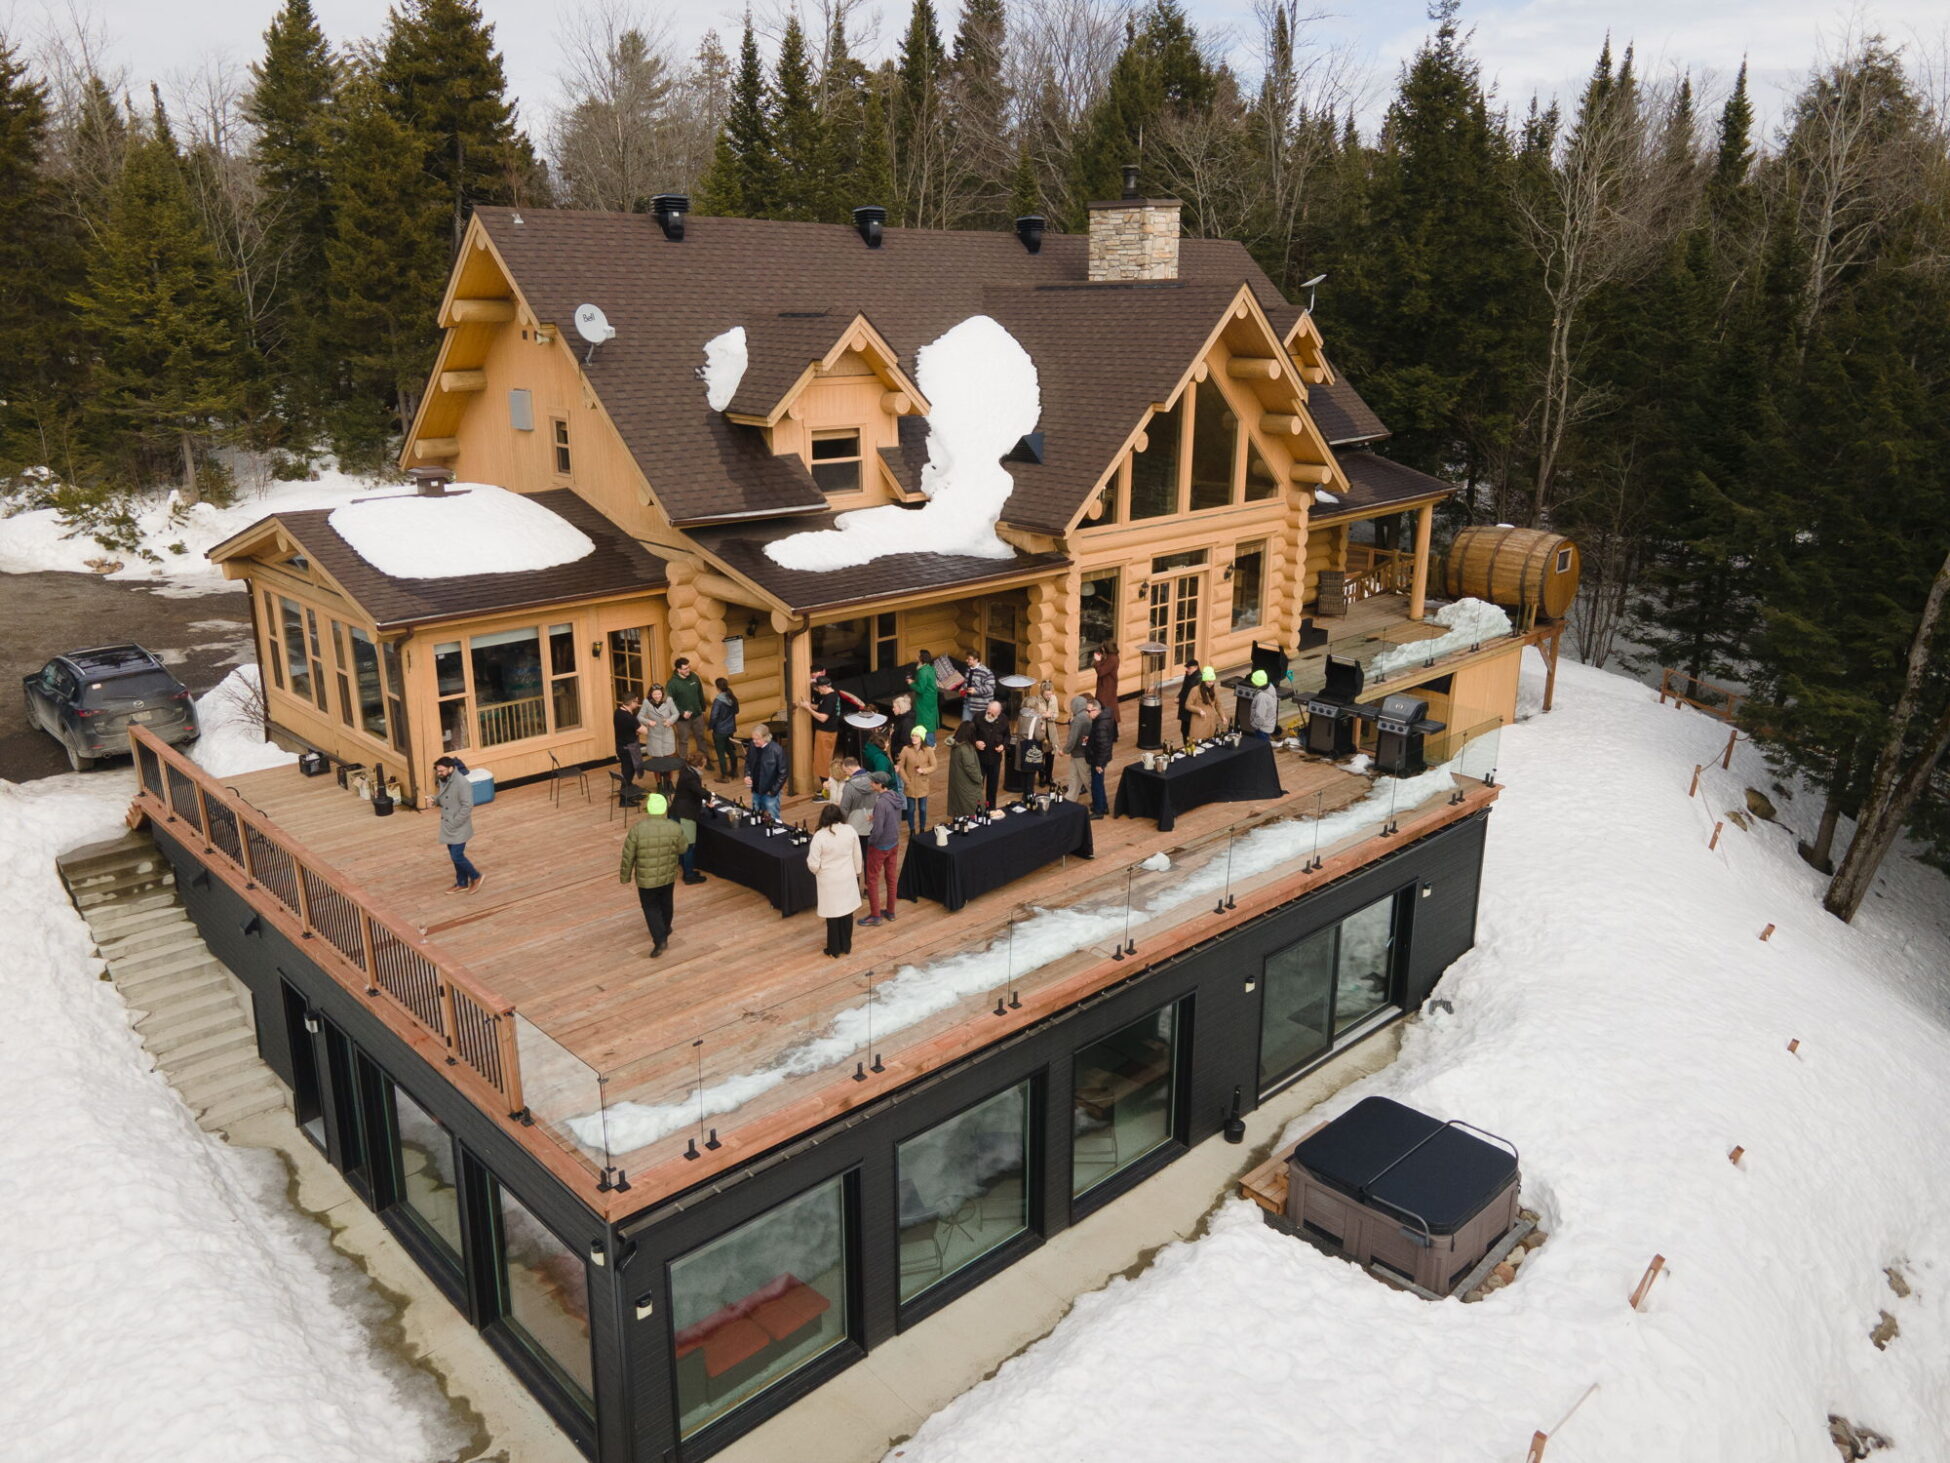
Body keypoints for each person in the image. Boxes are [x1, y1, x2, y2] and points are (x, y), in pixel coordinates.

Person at [619, 792, 689, 958]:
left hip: (645, 879)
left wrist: (625, 876)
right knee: (666, 902)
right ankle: (666, 926)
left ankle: (660, 939)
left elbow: (628, 855)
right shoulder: (674, 827)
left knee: (650, 908)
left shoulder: (637, 830)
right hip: (668, 875)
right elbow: (683, 848)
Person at [805, 803, 863, 957]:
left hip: (829, 880)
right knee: (847, 913)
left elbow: (813, 863)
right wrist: (857, 871)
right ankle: (846, 945)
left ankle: (834, 949)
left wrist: (818, 871)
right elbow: (857, 854)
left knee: (833, 916)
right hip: (847, 877)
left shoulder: (820, 836)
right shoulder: (849, 830)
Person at [431, 755, 483, 891]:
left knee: (457, 855)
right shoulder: (444, 779)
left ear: (451, 768)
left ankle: (476, 876)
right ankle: (462, 883)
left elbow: (467, 806)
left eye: (441, 771)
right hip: (448, 825)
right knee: (454, 855)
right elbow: (443, 796)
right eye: (438, 771)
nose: (439, 773)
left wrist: (454, 822)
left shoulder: (462, 783)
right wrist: (435, 800)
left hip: (458, 826)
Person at [860, 771, 903, 926]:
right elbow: (892, 817)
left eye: (873, 782)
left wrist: (870, 841)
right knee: (891, 878)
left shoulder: (881, 803)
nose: (871, 784)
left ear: (879, 784)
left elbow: (877, 831)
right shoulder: (895, 797)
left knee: (872, 880)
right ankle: (890, 912)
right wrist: (876, 816)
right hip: (894, 842)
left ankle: (875, 915)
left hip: (880, 846)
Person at [665, 759, 708, 885]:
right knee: (688, 846)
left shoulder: (685, 771)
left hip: (676, 810)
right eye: (703, 765)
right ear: (699, 765)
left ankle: (685, 868)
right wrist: (710, 796)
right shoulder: (691, 777)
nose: (704, 767)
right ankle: (689, 875)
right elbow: (699, 791)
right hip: (685, 814)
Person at [798, 673, 842, 790]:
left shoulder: (829, 699)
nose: (817, 690)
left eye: (818, 688)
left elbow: (823, 717)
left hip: (826, 733)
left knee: (823, 762)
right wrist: (809, 705)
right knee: (822, 760)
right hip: (828, 732)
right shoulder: (832, 695)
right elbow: (821, 708)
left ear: (823, 687)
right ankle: (826, 787)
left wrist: (808, 709)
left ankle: (826, 789)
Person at [666, 656, 708, 768]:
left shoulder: (694, 677)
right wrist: (681, 712)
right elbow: (670, 702)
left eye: (688, 667)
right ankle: (683, 764)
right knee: (683, 741)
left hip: (697, 715)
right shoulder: (672, 683)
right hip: (682, 719)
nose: (688, 670)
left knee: (701, 738)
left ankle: (704, 760)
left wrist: (703, 709)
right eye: (685, 669)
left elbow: (700, 694)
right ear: (678, 670)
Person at [1016, 680, 1055, 789]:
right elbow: (1039, 736)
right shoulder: (1036, 718)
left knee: (1023, 772)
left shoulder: (1021, 715)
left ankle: (1024, 793)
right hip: (1030, 747)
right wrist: (1042, 729)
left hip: (1021, 746)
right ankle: (1029, 796)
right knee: (1030, 775)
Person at [897, 725, 936, 833]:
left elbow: (934, 766)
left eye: (917, 736)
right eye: (913, 735)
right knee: (911, 809)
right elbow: (900, 766)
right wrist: (907, 781)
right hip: (910, 784)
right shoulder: (906, 749)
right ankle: (912, 830)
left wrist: (924, 770)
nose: (914, 738)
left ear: (922, 738)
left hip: (922, 784)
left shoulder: (928, 750)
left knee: (923, 809)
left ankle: (922, 829)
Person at [744, 723, 786, 817]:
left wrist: (773, 791)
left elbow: (783, 773)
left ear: (766, 737)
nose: (754, 741)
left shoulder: (777, 750)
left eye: (757, 739)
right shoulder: (752, 746)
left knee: (774, 819)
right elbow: (748, 761)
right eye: (753, 739)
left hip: (770, 793)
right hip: (756, 790)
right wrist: (747, 774)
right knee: (756, 816)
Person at [971, 697, 1008, 806]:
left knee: (992, 787)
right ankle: (975, 809)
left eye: (993, 714)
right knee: (977, 786)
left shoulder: (1004, 719)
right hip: (980, 759)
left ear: (998, 713)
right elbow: (970, 734)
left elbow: (1007, 736)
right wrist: (976, 742)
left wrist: (1003, 746)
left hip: (995, 760)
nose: (989, 715)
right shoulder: (978, 717)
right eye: (988, 712)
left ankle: (991, 809)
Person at [946, 720, 985, 820]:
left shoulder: (956, 745)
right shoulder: (965, 748)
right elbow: (970, 768)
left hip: (958, 783)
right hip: (967, 785)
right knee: (973, 811)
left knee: (959, 811)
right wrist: (979, 778)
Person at [1086, 695, 1118, 817]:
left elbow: (1103, 746)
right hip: (1100, 757)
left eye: (1089, 711)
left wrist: (1099, 763)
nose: (1088, 713)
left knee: (1096, 784)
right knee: (1098, 782)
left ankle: (1098, 811)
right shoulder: (1105, 717)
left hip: (1098, 759)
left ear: (1097, 710)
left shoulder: (1100, 726)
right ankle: (1103, 806)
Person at [1062, 694, 1094, 803]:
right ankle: (1070, 798)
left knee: (1087, 779)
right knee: (1074, 777)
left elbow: (1072, 738)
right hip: (1080, 753)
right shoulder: (1086, 716)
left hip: (1080, 754)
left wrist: (1064, 750)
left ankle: (1096, 801)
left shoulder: (1078, 719)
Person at [708, 677, 740, 781]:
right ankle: (734, 771)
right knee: (730, 750)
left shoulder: (718, 700)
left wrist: (711, 726)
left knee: (721, 753)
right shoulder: (732, 697)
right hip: (730, 729)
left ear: (717, 687)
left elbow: (713, 716)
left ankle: (724, 776)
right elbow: (736, 711)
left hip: (720, 731)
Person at [837, 755, 877, 836]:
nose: (846, 774)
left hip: (855, 827)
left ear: (850, 769)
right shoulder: (875, 780)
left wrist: (841, 824)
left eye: (845, 771)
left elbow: (844, 809)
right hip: (873, 824)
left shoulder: (849, 786)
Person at [637, 682, 678, 759]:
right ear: (650, 694)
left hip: (667, 733)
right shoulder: (646, 702)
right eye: (654, 694)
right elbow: (639, 716)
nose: (657, 696)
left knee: (669, 758)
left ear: (662, 693)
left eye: (659, 694)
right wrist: (648, 722)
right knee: (656, 760)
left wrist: (670, 721)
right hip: (654, 734)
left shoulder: (669, 700)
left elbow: (676, 713)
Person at [907, 651, 939, 745]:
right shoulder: (930, 668)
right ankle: (930, 743)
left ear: (921, 658)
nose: (916, 657)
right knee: (929, 721)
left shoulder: (922, 672)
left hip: (924, 701)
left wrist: (911, 683)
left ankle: (930, 744)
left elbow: (921, 689)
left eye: (918, 655)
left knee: (925, 723)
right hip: (931, 699)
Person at [1186, 666, 1221, 742]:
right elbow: (1188, 705)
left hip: (1210, 724)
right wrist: (1199, 710)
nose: (1211, 683)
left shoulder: (1214, 690)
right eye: (1209, 681)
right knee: (1197, 746)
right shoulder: (1195, 690)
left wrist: (1223, 716)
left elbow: (1218, 705)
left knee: (1209, 745)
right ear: (1204, 681)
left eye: (1212, 681)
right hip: (1199, 724)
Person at [613, 694, 643, 781]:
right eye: (636, 702)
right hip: (628, 749)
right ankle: (625, 791)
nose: (637, 704)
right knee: (629, 771)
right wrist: (652, 726)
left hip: (620, 747)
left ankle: (627, 788)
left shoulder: (617, 712)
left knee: (625, 769)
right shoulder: (629, 717)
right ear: (631, 702)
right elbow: (642, 730)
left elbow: (627, 728)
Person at [960, 652, 995, 725]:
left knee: (979, 729)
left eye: (969, 659)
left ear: (976, 660)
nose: (967, 660)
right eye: (967, 659)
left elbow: (990, 687)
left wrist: (976, 691)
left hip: (980, 707)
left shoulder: (986, 672)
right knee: (965, 727)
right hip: (968, 704)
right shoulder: (968, 670)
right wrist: (962, 688)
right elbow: (966, 683)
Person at [1092, 643, 1121, 727]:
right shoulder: (1111, 657)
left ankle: (1107, 729)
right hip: (1106, 685)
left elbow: (1101, 672)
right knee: (1108, 707)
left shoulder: (1112, 659)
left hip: (1107, 687)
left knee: (1106, 706)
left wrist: (1097, 661)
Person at [1248, 668, 1280, 741]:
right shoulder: (1271, 687)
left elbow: (1260, 716)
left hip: (1262, 729)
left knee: (1259, 748)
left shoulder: (1261, 697)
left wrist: (1254, 725)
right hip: (1268, 726)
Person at [1176, 657, 1203, 743]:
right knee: (1184, 729)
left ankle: (1190, 746)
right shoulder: (1188, 675)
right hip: (1184, 706)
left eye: (1189, 668)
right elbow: (1184, 688)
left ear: (1196, 667)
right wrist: (1179, 696)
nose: (1187, 670)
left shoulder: (1199, 678)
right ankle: (1186, 746)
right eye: (1187, 668)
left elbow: (1197, 695)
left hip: (1191, 708)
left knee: (1190, 730)